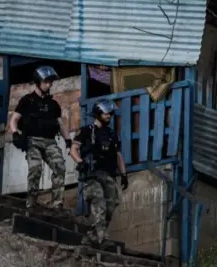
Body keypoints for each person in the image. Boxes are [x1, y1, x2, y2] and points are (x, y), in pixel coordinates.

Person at [8, 66, 72, 209]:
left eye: (51, 82)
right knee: (35, 168)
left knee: (60, 167)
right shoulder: (27, 100)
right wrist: (15, 133)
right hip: (32, 140)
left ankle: (57, 204)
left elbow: (61, 125)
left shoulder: (53, 104)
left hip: (50, 142)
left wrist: (68, 140)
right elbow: (14, 120)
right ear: (38, 82)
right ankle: (31, 203)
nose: (49, 85)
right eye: (46, 82)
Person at [70, 98, 129, 248]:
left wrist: (123, 174)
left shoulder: (111, 134)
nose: (109, 116)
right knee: (99, 203)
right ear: (98, 114)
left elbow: (118, 155)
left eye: (111, 113)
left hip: (107, 174)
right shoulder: (86, 131)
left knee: (111, 204)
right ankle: (102, 239)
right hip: (91, 174)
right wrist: (80, 162)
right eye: (106, 113)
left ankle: (91, 236)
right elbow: (73, 149)